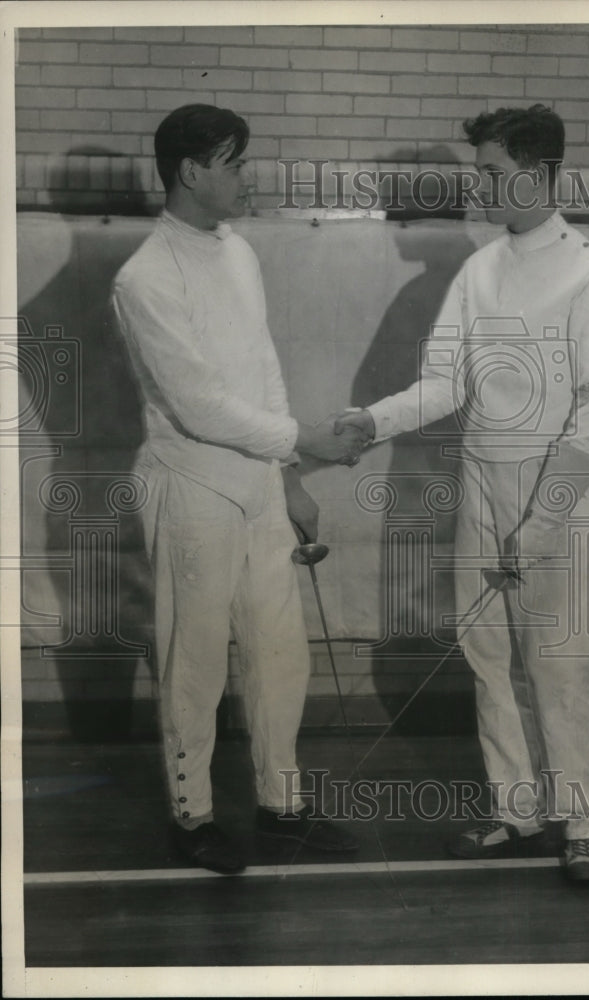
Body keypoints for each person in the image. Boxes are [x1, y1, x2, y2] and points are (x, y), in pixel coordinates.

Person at [336, 104, 589, 883]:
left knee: (558, 662)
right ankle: (518, 812)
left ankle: (582, 826)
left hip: (558, 492)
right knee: (487, 654)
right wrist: (368, 422)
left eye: (494, 174)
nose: (481, 188)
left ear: (539, 175)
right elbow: (443, 384)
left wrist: (542, 520)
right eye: (480, 172)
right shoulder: (481, 270)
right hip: (481, 481)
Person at [112, 104, 367, 875]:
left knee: (280, 654)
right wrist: (309, 442)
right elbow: (197, 405)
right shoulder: (144, 277)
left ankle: (281, 806)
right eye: (235, 163)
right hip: (189, 484)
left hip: (257, 483)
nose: (246, 176)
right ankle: (193, 819)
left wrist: (290, 480)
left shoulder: (240, 253)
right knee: (195, 660)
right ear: (193, 172)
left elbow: (260, 375)